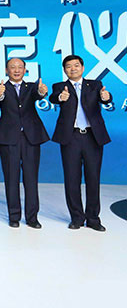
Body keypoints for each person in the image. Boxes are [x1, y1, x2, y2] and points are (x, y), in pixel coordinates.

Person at [49, 55, 112, 231]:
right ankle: (77, 217)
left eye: (76, 65)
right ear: (64, 70)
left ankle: (93, 218)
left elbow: (105, 97)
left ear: (83, 68)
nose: (73, 69)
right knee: (72, 179)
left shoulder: (95, 85)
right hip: (71, 137)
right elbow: (54, 97)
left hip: (92, 137)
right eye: (69, 66)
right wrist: (61, 97)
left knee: (93, 178)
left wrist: (106, 97)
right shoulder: (60, 87)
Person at [0, 58, 49, 228]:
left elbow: (38, 94)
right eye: (12, 67)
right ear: (6, 70)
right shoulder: (0, 87)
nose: (16, 70)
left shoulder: (31, 87)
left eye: (19, 67)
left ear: (25, 70)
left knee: (31, 178)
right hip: (9, 137)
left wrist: (42, 92)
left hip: (31, 136)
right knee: (11, 178)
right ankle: (14, 216)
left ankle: (32, 217)